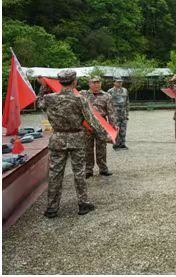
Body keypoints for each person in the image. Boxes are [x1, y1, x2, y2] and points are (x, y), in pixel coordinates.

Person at [37, 70, 110, 218]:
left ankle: (52, 208)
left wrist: (43, 87)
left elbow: (39, 104)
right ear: (74, 81)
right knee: (79, 172)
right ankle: (83, 204)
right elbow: (92, 121)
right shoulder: (80, 99)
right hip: (76, 138)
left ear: (59, 82)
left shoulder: (49, 98)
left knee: (55, 173)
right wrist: (106, 136)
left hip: (57, 138)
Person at [80, 76, 116, 178]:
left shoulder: (107, 96)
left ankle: (103, 169)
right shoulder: (82, 94)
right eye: (94, 82)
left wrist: (113, 127)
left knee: (101, 148)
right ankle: (88, 170)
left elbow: (111, 112)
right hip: (87, 125)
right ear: (89, 84)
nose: (96, 84)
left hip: (101, 125)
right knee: (87, 148)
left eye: (98, 82)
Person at [107, 77, 130, 150]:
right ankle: (116, 145)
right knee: (116, 129)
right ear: (114, 82)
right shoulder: (110, 91)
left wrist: (127, 113)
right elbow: (108, 103)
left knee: (123, 129)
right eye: (118, 82)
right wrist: (110, 114)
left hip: (123, 113)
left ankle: (122, 144)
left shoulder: (125, 90)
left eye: (121, 82)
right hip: (115, 113)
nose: (119, 83)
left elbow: (127, 102)